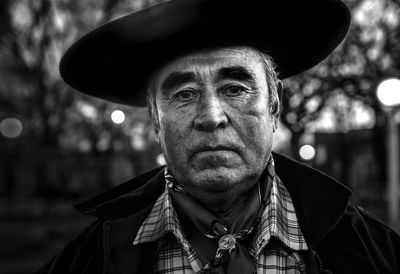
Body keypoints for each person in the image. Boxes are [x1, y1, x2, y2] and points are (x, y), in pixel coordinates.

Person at [38, 0, 400, 273]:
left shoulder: (372, 249)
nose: (211, 117)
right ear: (155, 120)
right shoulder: (87, 260)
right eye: (183, 94)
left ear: (274, 106)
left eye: (235, 88)